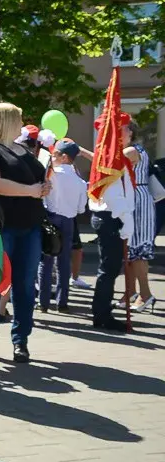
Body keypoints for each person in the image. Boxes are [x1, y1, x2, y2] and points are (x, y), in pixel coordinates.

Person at [0, 103, 49, 363]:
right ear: (4, 121)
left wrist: (44, 187)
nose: (21, 124)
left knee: (26, 287)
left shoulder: (23, 150)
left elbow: (36, 181)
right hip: (2, 228)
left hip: (30, 228)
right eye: (17, 119)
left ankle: (21, 342)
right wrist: (31, 191)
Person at [90, 114, 135, 332]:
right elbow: (114, 195)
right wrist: (126, 220)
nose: (129, 133)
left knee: (111, 268)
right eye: (125, 129)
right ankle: (101, 314)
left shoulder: (117, 157)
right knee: (109, 268)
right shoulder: (111, 158)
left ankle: (102, 311)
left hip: (113, 216)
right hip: (111, 217)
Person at [39, 140, 88, 314]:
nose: (52, 157)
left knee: (46, 260)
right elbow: (81, 208)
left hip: (51, 217)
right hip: (69, 220)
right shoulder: (81, 182)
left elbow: (43, 194)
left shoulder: (52, 174)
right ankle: (62, 302)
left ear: (64, 157)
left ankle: (43, 302)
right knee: (63, 262)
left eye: (55, 154)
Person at [124, 125, 156, 312]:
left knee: (139, 249)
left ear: (131, 133)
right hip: (131, 198)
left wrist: (81, 152)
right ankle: (130, 292)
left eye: (122, 128)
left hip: (139, 199)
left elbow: (109, 164)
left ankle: (145, 294)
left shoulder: (131, 151)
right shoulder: (129, 149)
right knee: (129, 249)